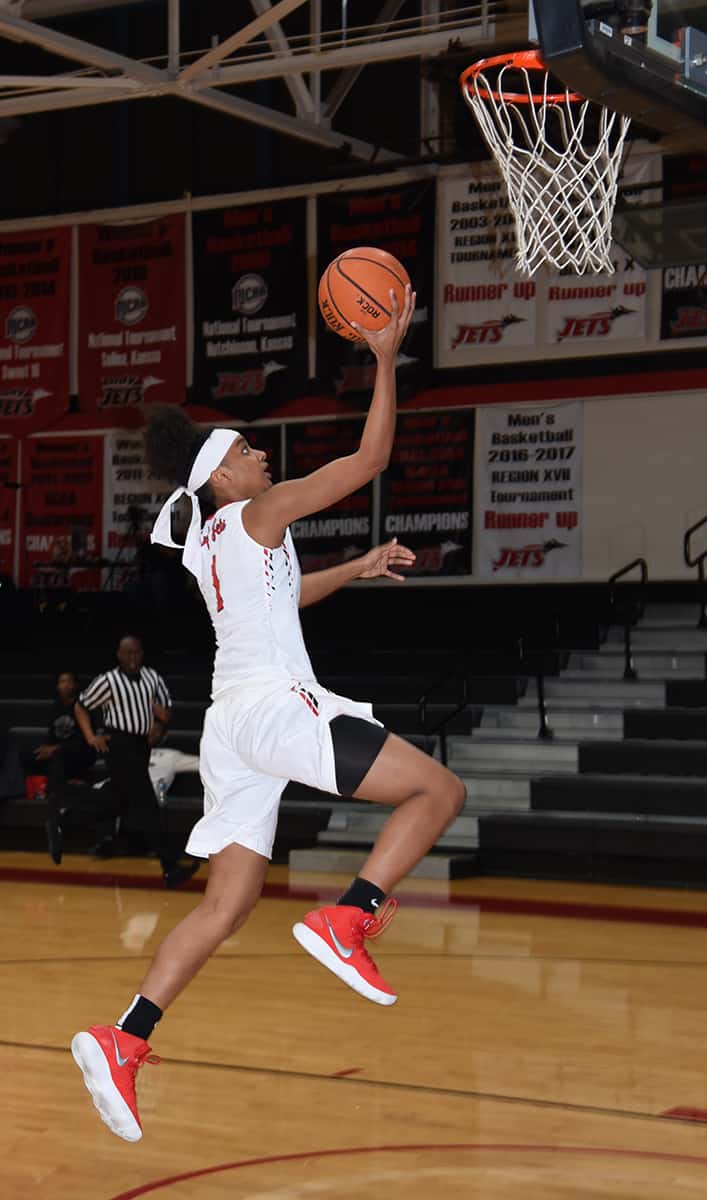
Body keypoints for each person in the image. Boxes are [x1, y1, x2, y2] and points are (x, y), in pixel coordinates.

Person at [71, 285, 466, 1143]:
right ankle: (348, 915)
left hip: (230, 727)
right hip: (275, 711)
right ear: (221, 475)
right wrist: (388, 360)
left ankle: (123, 1037)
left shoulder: (220, 541)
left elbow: (282, 599)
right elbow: (365, 461)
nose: (264, 459)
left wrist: (354, 567)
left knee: (227, 904)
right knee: (436, 792)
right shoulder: (255, 512)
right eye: (250, 451)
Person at [73, 635, 199, 888]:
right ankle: (170, 867)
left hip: (141, 746)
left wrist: (160, 722)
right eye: (127, 653)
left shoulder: (152, 677)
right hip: (119, 745)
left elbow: (166, 709)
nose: (132, 658)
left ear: (142, 653)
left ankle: (64, 817)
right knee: (147, 804)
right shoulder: (109, 680)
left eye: (136, 653)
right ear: (118, 654)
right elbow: (81, 706)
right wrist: (90, 737)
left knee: (119, 801)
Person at [22, 671, 97, 865]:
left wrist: (55, 748)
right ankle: (26, 789)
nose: (64, 685)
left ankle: (56, 802)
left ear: (75, 685)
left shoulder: (82, 707)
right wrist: (45, 748)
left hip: (81, 754)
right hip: (59, 753)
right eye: (61, 682)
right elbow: (51, 735)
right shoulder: (55, 708)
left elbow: (86, 741)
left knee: (58, 756)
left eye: (68, 681)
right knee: (26, 755)